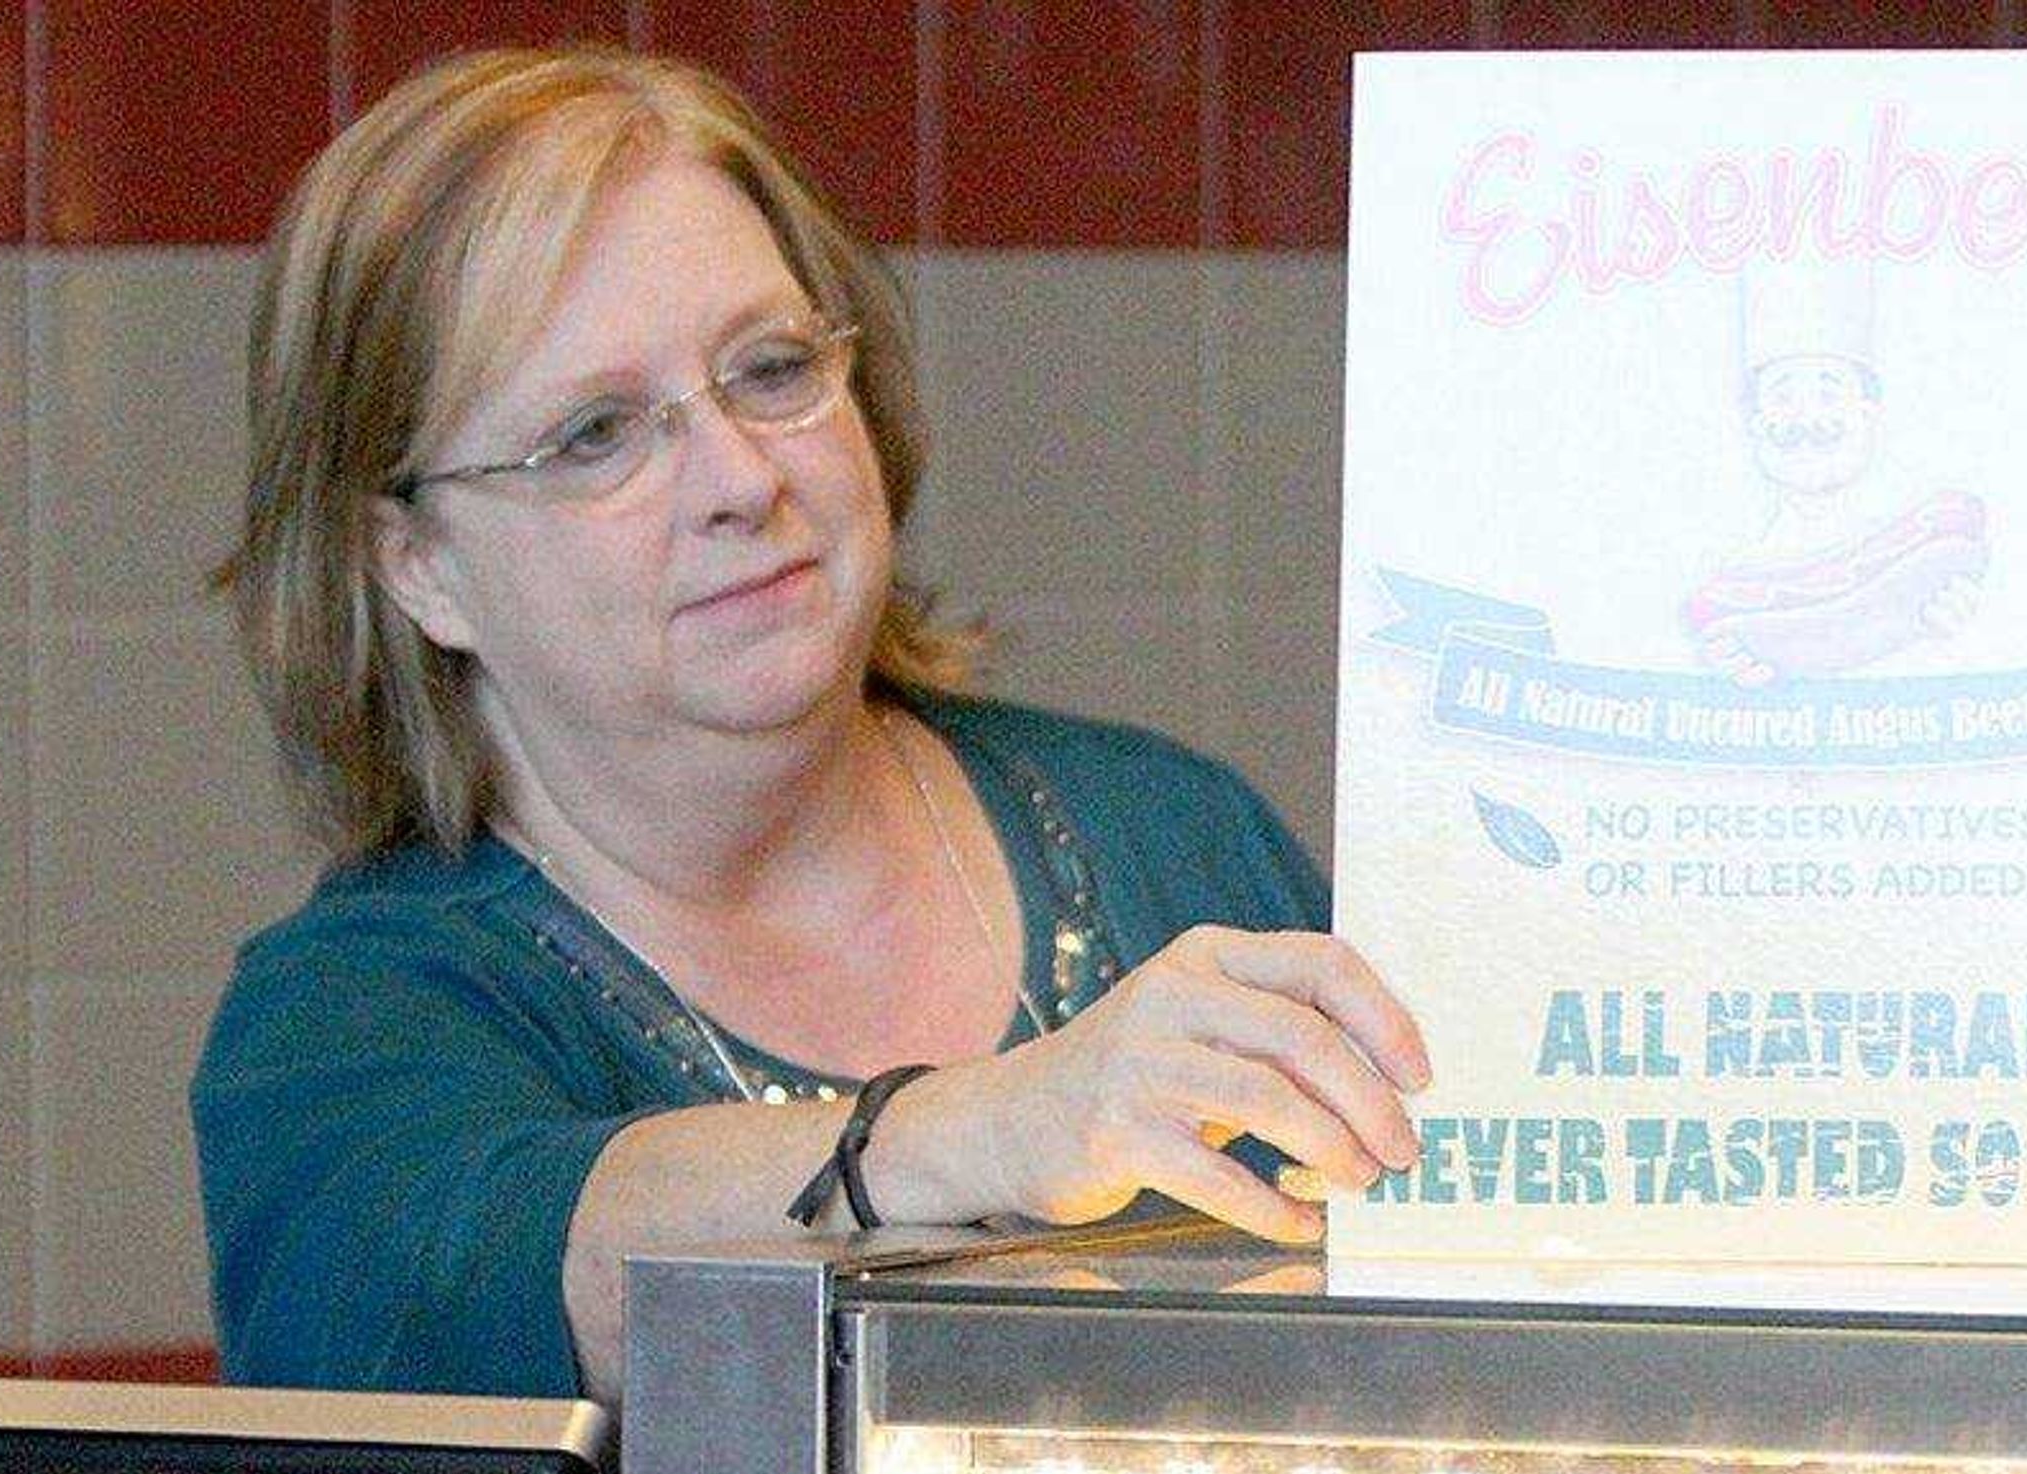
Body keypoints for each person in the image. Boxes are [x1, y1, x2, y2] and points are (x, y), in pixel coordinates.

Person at [196, 45, 1427, 1398]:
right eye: (596, 433)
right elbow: (513, 1262)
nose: (738, 477)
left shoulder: (1170, 834)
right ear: (413, 563)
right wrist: (979, 1129)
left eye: (772, 370)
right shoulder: (346, 1020)